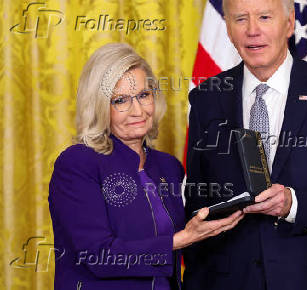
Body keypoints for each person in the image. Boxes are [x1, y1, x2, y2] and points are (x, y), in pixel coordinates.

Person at [183, 1, 307, 290]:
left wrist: (294, 203)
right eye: (240, 19)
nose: (252, 31)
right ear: (227, 28)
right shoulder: (206, 98)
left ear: (289, 23)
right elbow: (197, 204)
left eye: (264, 17)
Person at [48, 43, 243, 290]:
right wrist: (178, 240)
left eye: (143, 95)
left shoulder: (168, 166)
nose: (137, 110)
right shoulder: (77, 164)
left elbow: (192, 244)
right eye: (120, 100)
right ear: (99, 106)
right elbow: (98, 256)